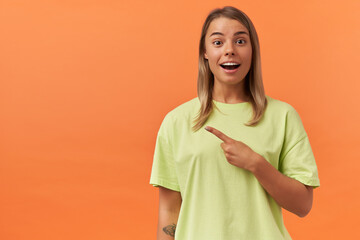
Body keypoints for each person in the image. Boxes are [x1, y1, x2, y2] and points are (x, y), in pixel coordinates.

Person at [149, 6, 320, 240]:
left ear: (253, 50)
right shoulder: (176, 122)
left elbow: (303, 205)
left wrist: (257, 164)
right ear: (205, 52)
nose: (230, 50)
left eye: (240, 41)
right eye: (218, 42)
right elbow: (169, 211)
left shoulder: (283, 116)